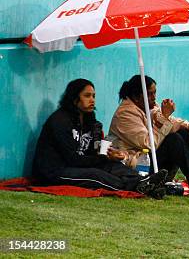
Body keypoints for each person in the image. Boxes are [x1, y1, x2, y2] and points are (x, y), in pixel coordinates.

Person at [32, 78, 167, 199]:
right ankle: (137, 187)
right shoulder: (60, 121)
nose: (92, 100)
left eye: (93, 96)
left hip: (78, 163)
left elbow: (92, 151)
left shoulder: (89, 119)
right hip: (56, 171)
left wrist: (109, 154)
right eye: (87, 96)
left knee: (112, 165)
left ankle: (145, 182)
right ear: (74, 98)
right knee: (95, 175)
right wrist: (101, 158)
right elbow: (72, 159)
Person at [108, 75, 189, 199]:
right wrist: (164, 118)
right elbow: (148, 143)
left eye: (155, 93)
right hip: (136, 166)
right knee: (173, 140)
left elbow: (174, 122)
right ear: (137, 97)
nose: (154, 98)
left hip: (151, 162)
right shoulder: (125, 114)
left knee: (184, 133)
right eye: (150, 94)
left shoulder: (148, 107)